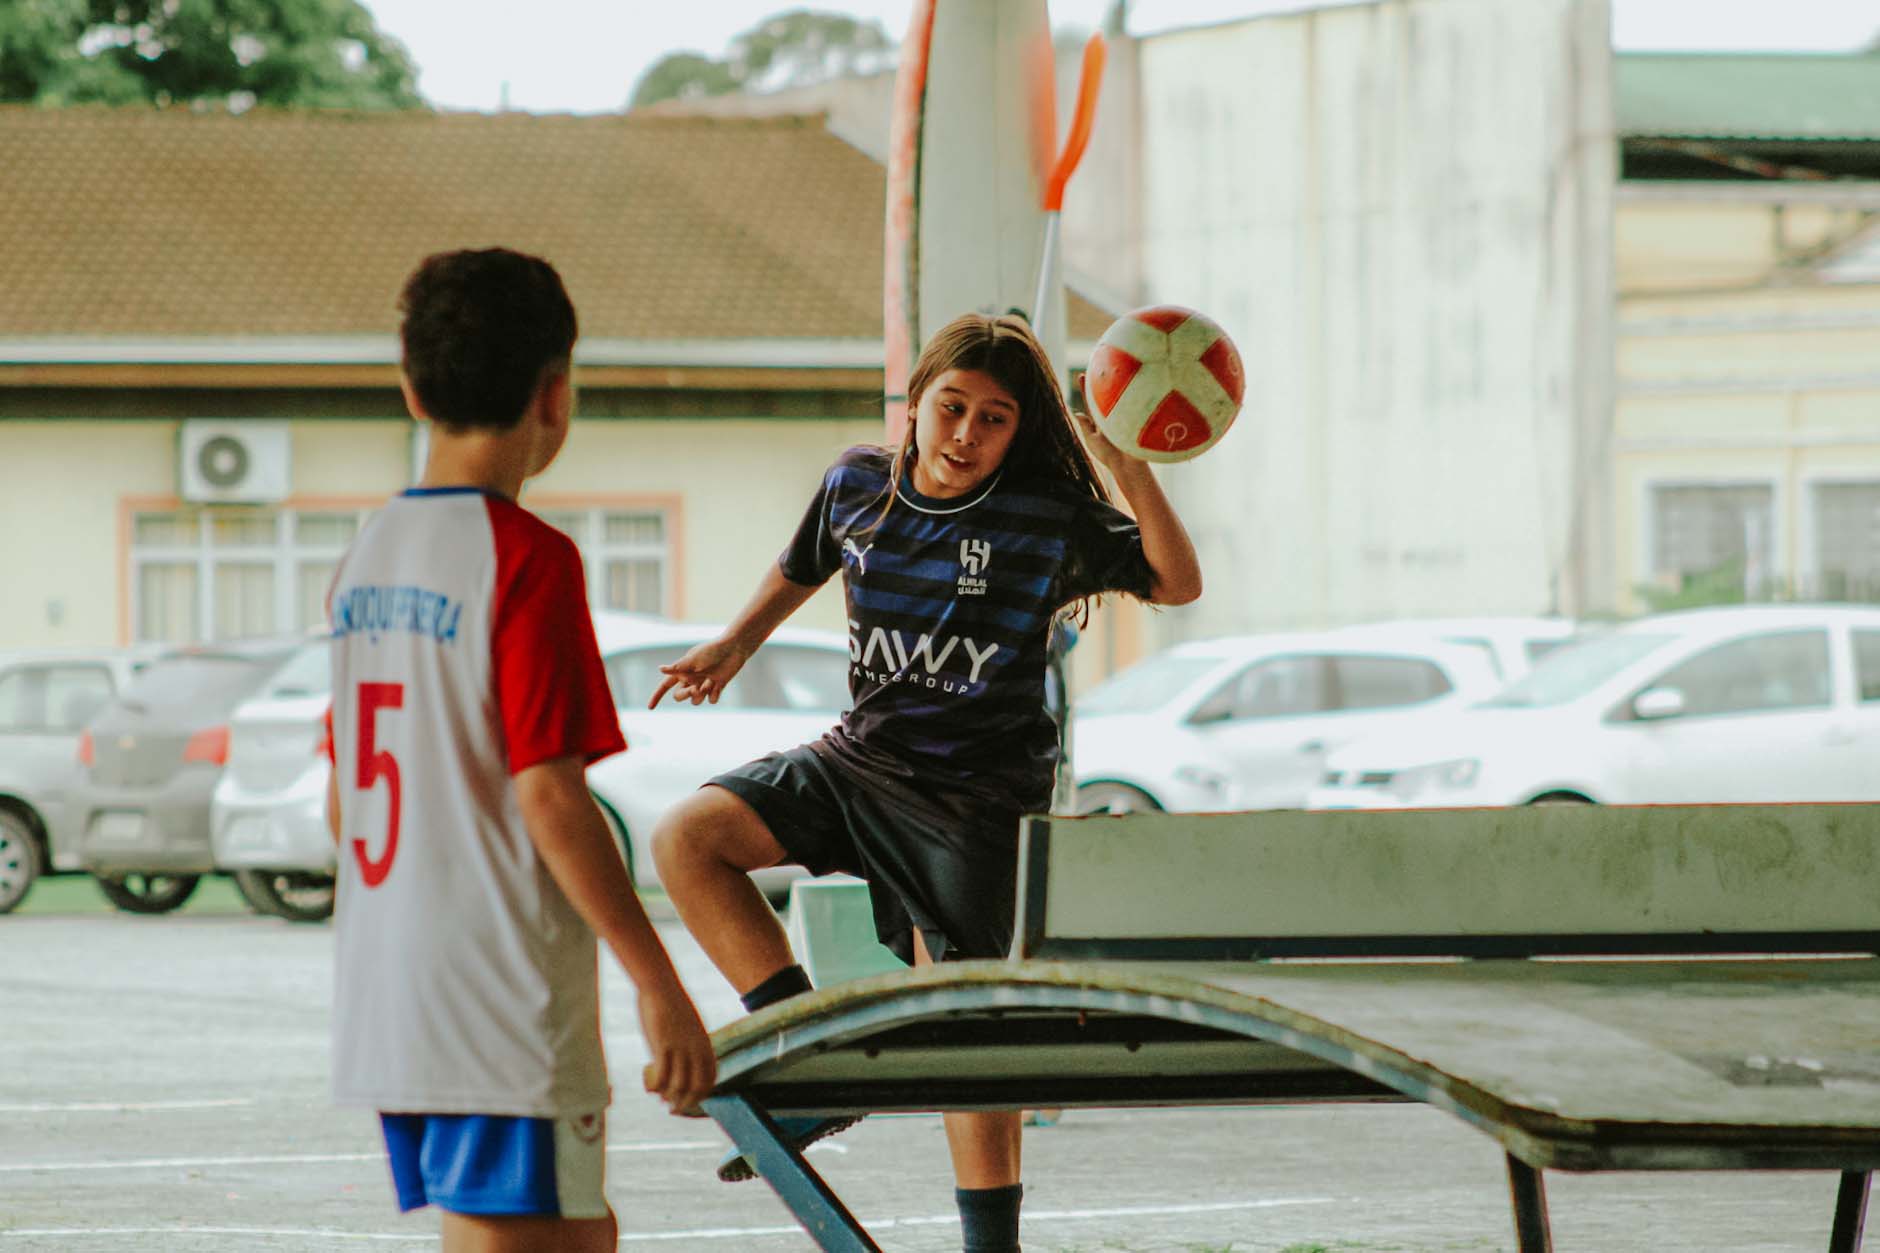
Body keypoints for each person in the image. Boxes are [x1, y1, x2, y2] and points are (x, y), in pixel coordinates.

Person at [649, 311, 1203, 1253]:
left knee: (965, 1034)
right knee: (687, 837)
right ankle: (810, 1060)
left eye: (995, 418)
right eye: (952, 408)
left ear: (1020, 433)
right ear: (915, 405)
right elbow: (803, 564)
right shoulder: (857, 483)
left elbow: (1175, 581)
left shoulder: (1045, 517)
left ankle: (991, 1243)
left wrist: (1130, 464)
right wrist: (735, 642)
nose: (966, 435)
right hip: (859, 759)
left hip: (977, 798)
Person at [323, 247, 716, 1253]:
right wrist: (659, 982)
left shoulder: (365, 553)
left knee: (526, 1232)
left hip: (393, 985)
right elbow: (550, 797)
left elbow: (342, 803)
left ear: (412, 388)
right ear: (555, 393)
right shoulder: (527, 559)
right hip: (501, 998)